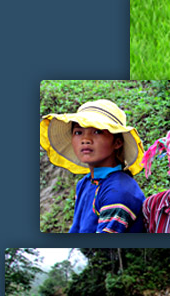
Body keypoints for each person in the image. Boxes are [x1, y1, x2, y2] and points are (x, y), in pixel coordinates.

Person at [40, 99, 145, 233]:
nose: (85, 140)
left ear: (117, 142)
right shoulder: (85, 183)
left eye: (97, 132)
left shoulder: (119, 192)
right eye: (78, 132)